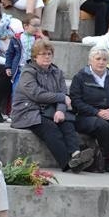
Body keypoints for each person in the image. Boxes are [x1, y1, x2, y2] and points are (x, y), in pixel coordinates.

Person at [12, 39, 95, 172]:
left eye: (49, 54)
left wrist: (61, 110)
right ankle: (68, 163)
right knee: (51, 128)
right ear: (35, 57)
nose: (47, 56)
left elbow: (63, 92)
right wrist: (61, 98)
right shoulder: (27, 72)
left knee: (66, 122)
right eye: (43, 54)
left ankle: (75, 154)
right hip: (28, 111)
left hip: (49, 110)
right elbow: (37, 95)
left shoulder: (57, 72)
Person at [71, 46, 109, 173]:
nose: (101, 62)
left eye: (104, 59)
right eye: (98, 58)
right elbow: (76, 101)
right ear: (90, 61)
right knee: (102, 124)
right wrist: (96, 112)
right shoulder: (80, 77)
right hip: (86, 116)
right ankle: (106, 156)